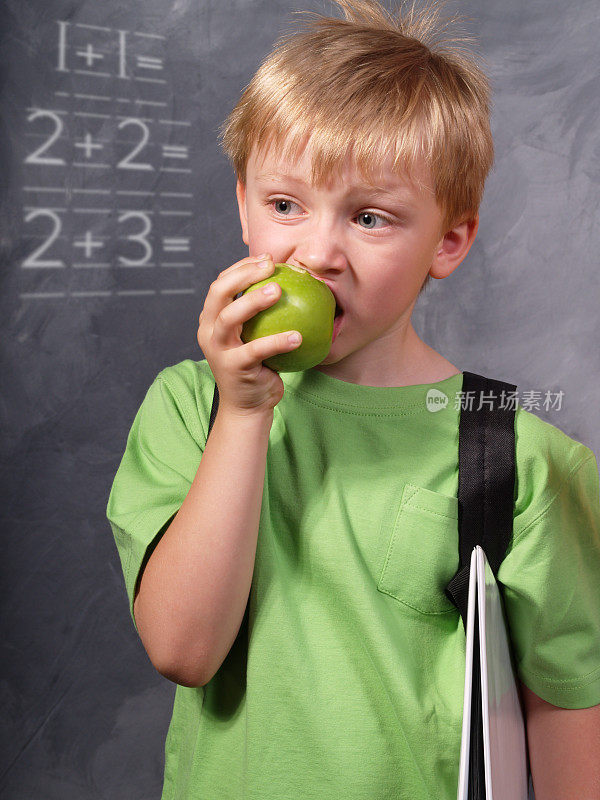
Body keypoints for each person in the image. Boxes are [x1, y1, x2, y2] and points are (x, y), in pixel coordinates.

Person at [106, 1, 600, 797]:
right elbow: (183, 649)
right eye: (285, 205)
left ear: (448, 241)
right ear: (242, 205)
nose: (317, 254)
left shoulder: (520, 459)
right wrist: (243, 413)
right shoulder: (189, 408)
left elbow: (568, 715)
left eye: (370, 217)